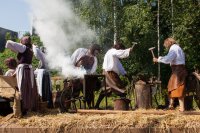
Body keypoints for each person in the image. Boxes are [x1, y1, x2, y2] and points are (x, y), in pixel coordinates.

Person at [95, 42, 134, 109]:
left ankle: (96, 106)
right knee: (121, 88)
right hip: (110, 73)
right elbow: (119, 52)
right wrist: (128, 50)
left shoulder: (113, 54)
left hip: (107, 72)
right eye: (121, 49)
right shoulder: (112, 51)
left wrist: (125, 74)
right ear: (119, 49)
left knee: (105, 90)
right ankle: (124, 107)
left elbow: (119, 66)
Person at [5, 36, 39, 115]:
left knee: (22, 88)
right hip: (28, 71)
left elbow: (10, 43)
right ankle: (28, 108)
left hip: (23, 71)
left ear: (24, 42)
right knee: (29, 89)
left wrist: (10, 42)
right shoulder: (30, 50)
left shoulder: (23, 47)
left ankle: (23, 108)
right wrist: (15, 73)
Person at [153, 37, 187, 112]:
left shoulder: (174, 48)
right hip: (178, 70)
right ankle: (171, 106)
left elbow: (168, 59)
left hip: (178, 70)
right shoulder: (177, 47)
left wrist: (158, 59)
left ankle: (181, 108)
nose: (166, 46)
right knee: (172, 87)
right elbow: (169, 57)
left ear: (169, 43)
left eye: (166, 44)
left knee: (177, 88)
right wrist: (160, 58)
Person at [68, 43, 101, 109]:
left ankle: (89, 105)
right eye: (96, 52)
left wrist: (89, 74)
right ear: (93, 50)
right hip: (75, 75)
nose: (95, 54)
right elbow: (71, 61)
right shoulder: (80, 51)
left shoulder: (94, 58)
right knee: (74, 87)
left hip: (86, 77)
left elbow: (92, 70)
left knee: (90, 87)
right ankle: (72, 105)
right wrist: (73, 71)